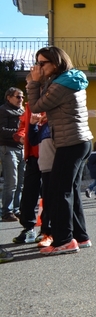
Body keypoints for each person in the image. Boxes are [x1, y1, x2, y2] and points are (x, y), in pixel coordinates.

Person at [27, 46, 94, 255]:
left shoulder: (60, 85)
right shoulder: (70, 80)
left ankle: (64, 240)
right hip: (80, 141)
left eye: (42, 63)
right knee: (70, 190)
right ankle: (80, 237)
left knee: (58, 191)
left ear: (55, 63)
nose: (38, 67)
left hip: (70, 143)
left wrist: (33, 83)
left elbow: (36, 106)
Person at [12, 107, 41, 244]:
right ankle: (28, 228)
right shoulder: (29, 107)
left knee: (49, 193)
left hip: (49, 154)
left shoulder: (51, 102)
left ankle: (48, 229)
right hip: (32, 156)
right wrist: (21, 136)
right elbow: (23, 128)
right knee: (29, 193)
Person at [28, 112, 54, 249]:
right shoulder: (44, 125)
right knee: (47, 201)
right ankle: (47, 233)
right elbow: (33, 140)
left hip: (55, 167)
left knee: (53, 202)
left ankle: (51, 233)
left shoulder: (58, 123)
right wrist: (32, 124)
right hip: (45, 168)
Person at [0, 87, 25, 222]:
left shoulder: (22, 111)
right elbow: (2, 130)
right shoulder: (3, 110)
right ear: (9, 97)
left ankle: (16, 209)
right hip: (8, 148)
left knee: (20, 182)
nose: (21, 99)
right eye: (18, 96)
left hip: (21, 148)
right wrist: (17, 135)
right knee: (12, 181)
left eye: (22, 97)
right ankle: (6, 211)